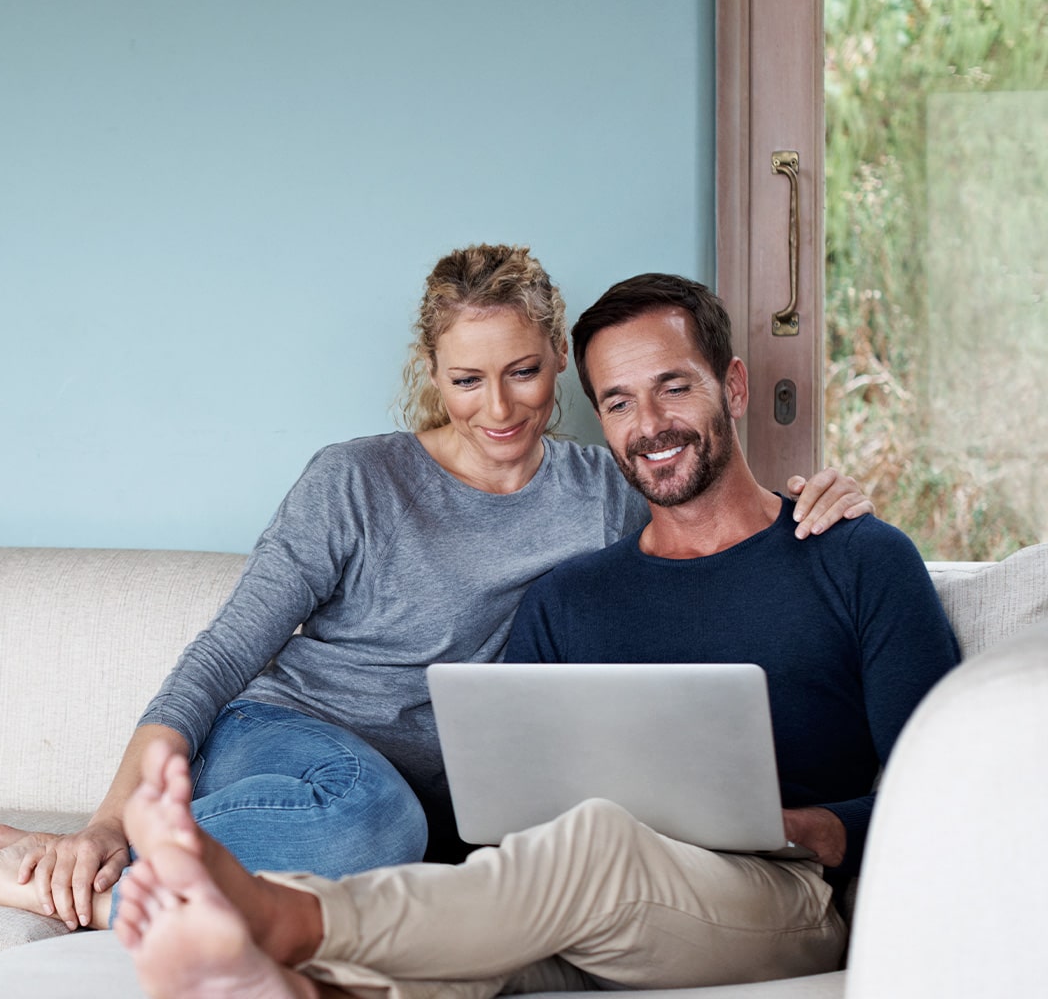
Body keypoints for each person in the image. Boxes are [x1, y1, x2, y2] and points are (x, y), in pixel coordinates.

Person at [0, 247, 871, 932]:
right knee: (372, 823)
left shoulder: (598, 493)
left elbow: (704, 540)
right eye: (468, 379)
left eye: (524, 373)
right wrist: (100, 819)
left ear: (554, 364)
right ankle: (67, 877)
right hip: (292, 738)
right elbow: (222, 653)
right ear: (432, 373)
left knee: (446, 858)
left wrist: (808, 500)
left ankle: (85, 865)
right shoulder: (358, 479)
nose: (502, 407)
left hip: (451, 788)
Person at [112, 273, 961, 998]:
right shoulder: (572, 593)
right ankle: (298, 980)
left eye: (675, 387)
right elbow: (512, 811)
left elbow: (949, 790)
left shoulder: (856, 558)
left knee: (592, 847)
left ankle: (283, 917)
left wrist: (821, 826)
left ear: (733, 388)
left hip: (789, 896)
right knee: (493, 909)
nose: (651, 425)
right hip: (595, 902)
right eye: (620, 403)